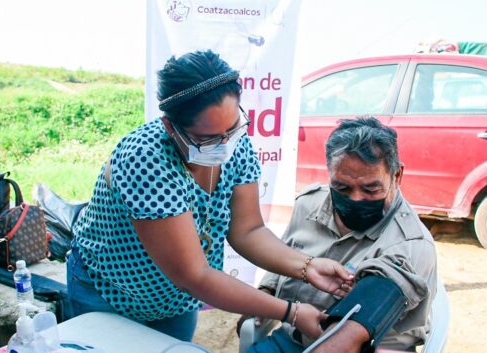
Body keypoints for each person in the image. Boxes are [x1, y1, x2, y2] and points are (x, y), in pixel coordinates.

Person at [66, 50, 354, 342]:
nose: (225, 144)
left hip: (175, 300)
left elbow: (248, 230)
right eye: (207, 138)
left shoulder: (235, 145)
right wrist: (291, 312)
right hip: (111, 294)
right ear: (170, 127)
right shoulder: (146, 160)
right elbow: (195, 276)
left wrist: (307, 266)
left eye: (232, 128)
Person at [241, 117, 438, 353]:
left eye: (370, 189)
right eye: (342, 188)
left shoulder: (410, 244)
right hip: (292, 338)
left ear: (396, 176)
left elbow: (350, 337)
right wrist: (265, 295)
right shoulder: (309, 205)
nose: (355, 198)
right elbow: (283, 258)